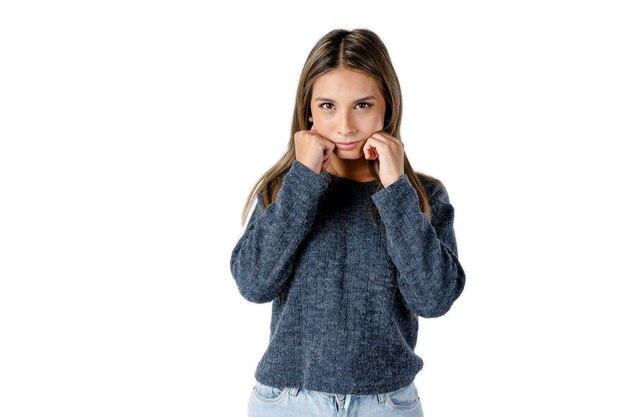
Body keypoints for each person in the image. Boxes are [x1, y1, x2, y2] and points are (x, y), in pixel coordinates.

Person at [230, 28, 465, 417]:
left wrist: (396, 190)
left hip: (385, 404)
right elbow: (254, 283)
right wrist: (303, 181)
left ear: (387, 106)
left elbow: (433, 299)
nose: (344, 126)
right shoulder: (284, 189)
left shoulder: (422, 196)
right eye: (327, 106)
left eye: (362, 105)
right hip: (288, 400)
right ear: (307, 109)